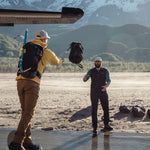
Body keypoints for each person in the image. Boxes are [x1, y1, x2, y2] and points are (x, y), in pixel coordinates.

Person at [9, 30, 64, 150]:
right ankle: (17, 142)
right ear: (45, 40)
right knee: (28, 113)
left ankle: (27, 142)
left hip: (19, 82)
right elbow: (57, 62)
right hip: (32, 83)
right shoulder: (47, 51)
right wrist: (62, 60)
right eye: (46, 39)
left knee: (25, 113)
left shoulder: (25, 48)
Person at [83, 57, 113, 135]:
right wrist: (84, 77)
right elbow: (85, 79)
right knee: (94, 109)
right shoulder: (91, 71)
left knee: (106, 108)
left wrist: (106, 87)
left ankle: (106, 125)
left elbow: (109, 80)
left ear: (101, 62)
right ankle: (94, 127)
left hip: (103, 90)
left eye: (98, 61)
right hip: (94, 91)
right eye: (96, 61)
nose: (97, 63)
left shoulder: (105, 71)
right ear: (94, 62)